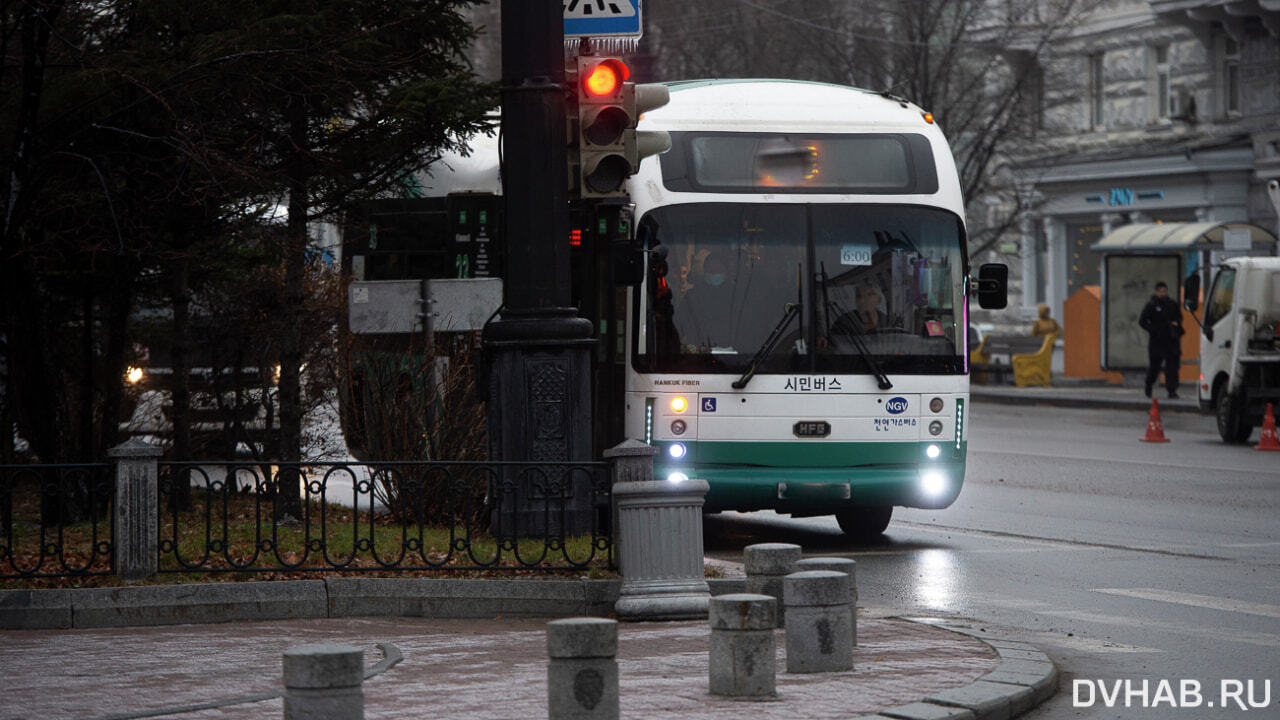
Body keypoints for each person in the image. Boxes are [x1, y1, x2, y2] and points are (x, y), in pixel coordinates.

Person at [1138, 281, 1184, 398]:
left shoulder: (1171, 303)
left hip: (1171, 340)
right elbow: (1142, 321)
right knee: (1154, 366)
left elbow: (1179, 317)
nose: (1163, 293)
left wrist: (1176, 323)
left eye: (1164, 291)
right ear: (1156, 292)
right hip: (1157, 341)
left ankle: (1172, 390)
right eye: (1160, 291)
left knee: (1172, 367)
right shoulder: (1152, 305)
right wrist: (1154, 330)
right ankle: (1149, 384)